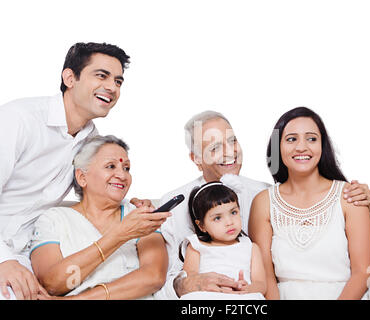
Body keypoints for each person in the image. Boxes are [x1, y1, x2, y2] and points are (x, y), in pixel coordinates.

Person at [154, 110, 370, 299]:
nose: (230, 152)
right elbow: (165, 277)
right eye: (215, 147)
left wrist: (358, 201)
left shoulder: (263, 193)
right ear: (196, 158)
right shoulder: (175, 205)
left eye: (232, 141)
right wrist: (188, 285)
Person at [0, 42, 155, 300]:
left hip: (28, 256)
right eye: (101, 76)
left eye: (118, 81)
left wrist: (131, 206)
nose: (112, 88)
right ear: (70, 77)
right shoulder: (18, 119)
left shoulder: (92, 141)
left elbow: (92, 195)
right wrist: (3, 260)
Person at [249, 107, 370, 300]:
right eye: (291, 139)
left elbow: (362, 273)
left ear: (322, 146)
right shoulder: (264, 202)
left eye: (311, 138)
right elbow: (266, 277)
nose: (301, 147)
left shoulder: (350, 196)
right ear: (277, 147)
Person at [30, 135, 169, 299]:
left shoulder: (140, 214)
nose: (122, 176)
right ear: (82, 177)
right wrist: (120, 235)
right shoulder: (53, 219)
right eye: (111, 166)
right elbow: (53, 284)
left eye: (126, 168)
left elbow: (153, 278)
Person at [180, 182, 266, 300]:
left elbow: (261, 284)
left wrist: (248, 288)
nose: (229, 222)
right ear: (201, 226)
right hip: (207, 295)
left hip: (241, 297)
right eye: (217, 218)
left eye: (233, 212)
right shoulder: (196, 246)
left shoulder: (251, 247)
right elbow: (190, 280)